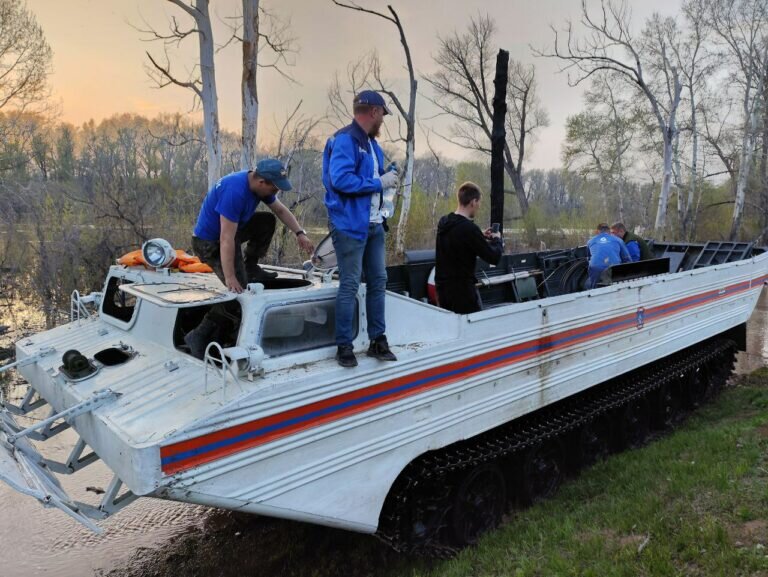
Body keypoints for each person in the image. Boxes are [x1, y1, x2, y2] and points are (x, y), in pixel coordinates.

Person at [185, 158, 314, 358]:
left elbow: (280, 210)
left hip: (230, 235)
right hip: (210, 243)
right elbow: (226, 239)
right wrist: (230, 278)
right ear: (262, 182)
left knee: (266, 221)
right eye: (274, 189)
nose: (275, 193)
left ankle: (251, 265)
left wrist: (300, 233)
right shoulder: (235, 191)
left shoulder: (257, 186)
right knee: (239, 293)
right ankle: (200, 335)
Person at [322, 90, 399, 368]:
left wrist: (386, 175)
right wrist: (381, 182)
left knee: (379, 281)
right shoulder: (346, 140)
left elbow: (370, 178)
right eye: (383, 116)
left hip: (374, 225)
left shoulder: (371, 144)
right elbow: (340, 180)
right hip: (350, 226)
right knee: (350, 284)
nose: (383, 122)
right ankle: (344, 346)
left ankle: (378, 341)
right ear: (375, 112)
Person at [435, 182, 503, 314]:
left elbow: (458, 239)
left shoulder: (444, 222)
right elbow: (494, 257)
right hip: (462, 295)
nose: (478, 207)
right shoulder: (470, 229)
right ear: (473, 202)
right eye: (478, 203)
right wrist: (497, 239)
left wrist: (480, 236)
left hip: (442, 293)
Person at [587, 223, 631, 289]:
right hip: (614, 268)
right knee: (616, 287)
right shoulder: (618, 240)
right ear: (609, 231)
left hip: (596, 269)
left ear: (597, 231)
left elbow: (588, 258)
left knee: (594, 288)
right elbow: (627, 259)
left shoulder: (590, 241)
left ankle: (594, 289)